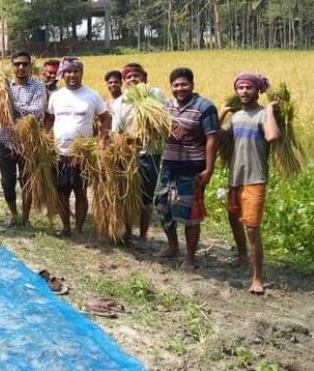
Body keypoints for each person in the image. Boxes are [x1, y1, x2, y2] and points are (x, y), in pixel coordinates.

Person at [219, 73, 280, 295]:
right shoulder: (235, 118)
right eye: (240, 88)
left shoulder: (263, 114)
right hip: (235, 177)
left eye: (248, 87)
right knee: (233, 218)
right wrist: (223, 111)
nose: (243, 91)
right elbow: (215, 136)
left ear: (257, 90)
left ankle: (257, 278)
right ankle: (242, 256)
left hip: (255, 178)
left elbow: (272, 136)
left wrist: (271, 110)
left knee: (252, 228)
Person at [155, 67, 219, 272]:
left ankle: (190, 258)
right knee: (162, 206)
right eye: (175, 85)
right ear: (171, 87)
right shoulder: (166, 107)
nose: (179, 88)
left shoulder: (205, 107)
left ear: (192, 84)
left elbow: (212, 139)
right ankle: (173, 246)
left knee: (190, 215)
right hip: (168, 165)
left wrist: (209, 169)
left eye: (184, 84)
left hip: (193, 168)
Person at [47, 57, 111, 237]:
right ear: (63, 74)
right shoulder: (56, 96)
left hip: (82, 155)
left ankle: (79, 228)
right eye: (68, 71)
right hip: (60, 153)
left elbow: (106, 118)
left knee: (81, 192)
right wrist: (44, 138)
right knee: (61, 192)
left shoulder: (92, 95)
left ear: (81, 73)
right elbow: (50, 119)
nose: (72, 75)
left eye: (76, 71)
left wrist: (103, 138)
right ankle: (66, 226)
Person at [112, 63, 166, 244]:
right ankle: (128, 232)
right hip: (127, 155)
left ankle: (142, 236)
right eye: (129, 77)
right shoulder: (121, 101)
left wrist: (148, 131)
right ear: (124, 81)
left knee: (146, 197)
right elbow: (116, 130)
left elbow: (163, 122)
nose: (133, 79)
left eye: (137, 76)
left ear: (144, 77)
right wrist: (124, 142)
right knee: (127, 194)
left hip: (151, 153)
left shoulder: (155, 94)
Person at [0, 51, 46, 228]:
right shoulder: (3, 86)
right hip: (6, 141)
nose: (21, 67)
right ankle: (14, 214)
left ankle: (25, 218)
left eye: (24, 64)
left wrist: (10, 103)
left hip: (29, 144)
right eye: (17, 64)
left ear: (30, 66)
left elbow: (36, 111)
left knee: (27, 182)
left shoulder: (38, 86)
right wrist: (5, 103)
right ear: (12, 66)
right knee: (7, 183)